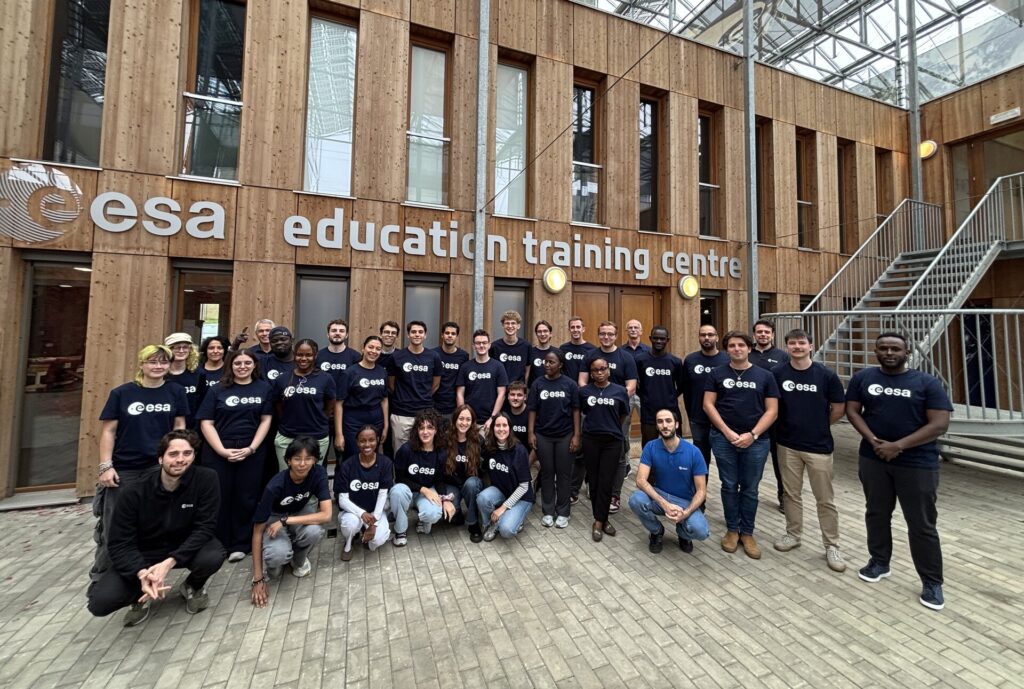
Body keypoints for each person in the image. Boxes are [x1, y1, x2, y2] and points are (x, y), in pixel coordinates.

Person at [846, 332, 952, 611]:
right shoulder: (863, 378)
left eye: (895, 348)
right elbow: (853, 411)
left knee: (921, 523)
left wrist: (899, 446)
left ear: (907, 352)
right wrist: (873, 441)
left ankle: (931, 581)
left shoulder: (927, 382)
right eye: (883, 348)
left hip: (917, 463)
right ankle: (879, 562)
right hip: (873, 458)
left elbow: (939, 423)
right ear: (876, 351)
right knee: (877, 513)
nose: (889, 352)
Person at [87, 430, 225, 626]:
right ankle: (140, 594)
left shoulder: (206, 479)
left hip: (183, 545)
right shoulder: (133, 491)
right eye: (173, 454)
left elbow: (205, 527)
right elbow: (119, 543)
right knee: (100, 603)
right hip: (145, 552)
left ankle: (193, 586)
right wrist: (141, 572)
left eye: (187, 454)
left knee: (213, 555)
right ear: (160, 458)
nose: (180, 460)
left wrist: (170, 562)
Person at [93, 345, 189, 582]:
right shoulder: (122, 393)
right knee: (115, 525)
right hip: (126, 469)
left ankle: (152, 573)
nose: (158, 366)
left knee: (157, 522)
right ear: (142, 364)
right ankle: (104, 577)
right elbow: (109, 431)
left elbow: (179, 427)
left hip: (161, 468)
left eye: (163, 362)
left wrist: (179, 459)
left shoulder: (175, 391)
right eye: (152, 362)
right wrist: (106, 466)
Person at [771, 329, 848, 573]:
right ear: (786, 347)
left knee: (825, 499)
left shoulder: (826, 375)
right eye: (792, 343)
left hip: (819, 447)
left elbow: (838, 408)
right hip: (787, 445)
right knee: (791, 495)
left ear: (811, 346)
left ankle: (832, 544)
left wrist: (820, 425)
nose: (797, 347)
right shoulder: (778, 373)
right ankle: (793, 534)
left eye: (801, 343)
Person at [703, 331, 779, 559]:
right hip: (723, 439)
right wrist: (727, 432)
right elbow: (708, 405)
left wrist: (752, 434)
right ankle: (732, 530)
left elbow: (772, 410)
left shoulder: (765, 376)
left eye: (741, 345)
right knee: (728, 484)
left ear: (749, 348)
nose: (737, 349)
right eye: (732, 346)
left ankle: (747, 532)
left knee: (750, 488)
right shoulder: (716, 374)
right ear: (727, 350)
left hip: (756, 442)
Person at [196, 349, 273, 563]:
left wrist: (252, 448)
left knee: (246, 497)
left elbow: (266, 420)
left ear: (254, 365)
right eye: (238, 363)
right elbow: (206, 422)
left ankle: (241, 543)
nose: (242, 367)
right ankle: (219, 543)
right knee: (220, 496)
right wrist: (221, 450)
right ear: (231, 365)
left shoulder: (264, 388)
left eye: (247, 363)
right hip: (219, 451)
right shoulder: (217, 389)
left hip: (251, 450)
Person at [250, 437, 332, 607]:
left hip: (296, 512)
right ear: (288, 460)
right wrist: (257, 579)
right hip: (272, 517)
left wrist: (286, 520)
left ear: (315, 460)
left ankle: (298, 560)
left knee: (315, 531)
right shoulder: (275, 486)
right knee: (277, 557)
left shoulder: (318, 473)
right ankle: (271, 565)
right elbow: (257, 532)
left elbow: (326, 515)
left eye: (308, 459)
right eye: (297, 459)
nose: (302, 464)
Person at [628, 410, 710, 554]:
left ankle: (683, 534)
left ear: (676, 424)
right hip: (660, 496)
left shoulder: (693, 452)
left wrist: (686, 512)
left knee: (701, 531)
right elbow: (640, 480)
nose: (664, 425)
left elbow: (701, 491)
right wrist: (664, 503)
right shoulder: (651, 447)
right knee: (636, 500)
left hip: (684, 501)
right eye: (660, 422)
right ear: (657, 426)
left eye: (668, 421)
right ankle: (657, 531)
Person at [580, 321, 638, 515]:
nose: (606, 337)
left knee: (619, 453)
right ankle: (594, 486)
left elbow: (631, 386)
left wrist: (613, 397)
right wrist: (594, 398)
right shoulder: (590, 356)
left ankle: (614, 494)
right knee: (592, 452)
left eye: (610, 334)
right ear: (598, 335)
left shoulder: (626, 357)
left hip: (618, 410)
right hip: (593, 409)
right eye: (603, 333)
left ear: (616, 335)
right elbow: (582, 382)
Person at [578, 357, 630, 542]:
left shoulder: (620, 391)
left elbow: (623, 414)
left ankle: (599, 521)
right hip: (591, 440)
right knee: (594, 480)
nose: (599, 372)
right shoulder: (584, 392)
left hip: (612, 442)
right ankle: (601, 519)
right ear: (591, 373)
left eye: (603, 369)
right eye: (595, 370)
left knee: (607, 481)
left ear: (608, 370)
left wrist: (611, 426)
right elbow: (580, 412)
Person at [527, 349, 580, 529]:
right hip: (543, 435)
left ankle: (563, 512)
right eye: (546, 362)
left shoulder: (570, 385)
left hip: (565, 435)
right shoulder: (537, 384)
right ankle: (548, 512)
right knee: (548, 474)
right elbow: (532, 409)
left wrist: (576, 435)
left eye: (551, 362)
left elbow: (575, 411)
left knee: (564, 475)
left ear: (560, 365)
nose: (547, 365)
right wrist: (531, 433)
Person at [273, 338, 336, 467]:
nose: (303, 358)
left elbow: (331, 401)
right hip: (287, 435)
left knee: (313, 477)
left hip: (317, 435)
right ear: (294, 354)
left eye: (308, 355)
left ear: (315, 355)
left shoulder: (325, 378)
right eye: (300, 354)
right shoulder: (282, 379)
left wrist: (322, 417)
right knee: (287, 476)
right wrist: (286, 418)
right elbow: (278, 404)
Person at [389, 409, 447, 546]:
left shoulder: (441, 452)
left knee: (433, 515)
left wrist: (445, 499)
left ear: (436, 430)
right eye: (421, 428)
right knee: (397, 491)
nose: (425, 432)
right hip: (408, 492)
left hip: (425, 493)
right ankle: (400, 530)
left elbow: (439, 480)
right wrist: (423, 489)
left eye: (430, 427)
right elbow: (400, 479)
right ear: (417, 430)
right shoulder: (406, 450)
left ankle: (422, 518)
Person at [335, 426, 393, 561]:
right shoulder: (347, 465)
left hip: (374, 511)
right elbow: (342, 499)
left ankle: (365, 532)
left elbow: (383, 495)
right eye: (362, 441)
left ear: (378, 440)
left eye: (371, 440)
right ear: (357, 442)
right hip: (352, 512)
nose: (367, 444)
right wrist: (361, 513)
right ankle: (348, 544)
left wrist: (374, 523)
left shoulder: (385, 463)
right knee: (350, 524)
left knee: (378, 540)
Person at [750, 319, 789, 511]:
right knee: (751, 461)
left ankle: (784, 496)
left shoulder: (782, 356)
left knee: (779, 461)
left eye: (766, 332)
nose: (763, 335)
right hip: (752, 416)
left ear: (772, 334)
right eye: (759, 332)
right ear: (754, 334)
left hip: (776, 418)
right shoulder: (748, 354)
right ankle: (748, 495)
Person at [478, 413, 535, 541]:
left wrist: (503, 508)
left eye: (505, 425)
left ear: (510, 428)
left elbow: (524, 486)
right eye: (497, 425)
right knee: (482, 498)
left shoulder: (519, 451)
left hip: (522, 497)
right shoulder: (490, 448)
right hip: (502, 491)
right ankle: (491, 524)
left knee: (506, 530)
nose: (501, 429)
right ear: (493, 429)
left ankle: (511, 520)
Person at [387, 320, 442, 450]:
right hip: (401, 414)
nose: (417, 334)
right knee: (400, 453)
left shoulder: (434, 357)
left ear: (425, 335)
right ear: (408, 335)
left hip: (425, 413)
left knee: (425, 451)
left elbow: (436, 384)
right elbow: (391, 384)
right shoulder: (397, 357)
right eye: (413, 332)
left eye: (420, 332)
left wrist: (423, 396)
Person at [681, 325, 730, 468]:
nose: (706, 338)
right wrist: (691, 414)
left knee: (726, 461)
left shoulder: (727, 359)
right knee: (701, 461)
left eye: (710, 335)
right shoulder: (690, 360)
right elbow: (686, 389)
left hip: (724, 420)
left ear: (717, 337)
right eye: (703, 335)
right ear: (699, 338)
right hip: (698, 419)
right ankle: (701, 490)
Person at [335, 335, 389, 459]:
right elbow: (338, 404)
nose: (374, 351)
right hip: (353, 421)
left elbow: (384, 400)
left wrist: (385, 426)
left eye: (378, 349)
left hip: (376, 420)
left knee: (373, 457)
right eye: (370, 347)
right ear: (363, 348)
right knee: (354, 457)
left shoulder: (382, 372)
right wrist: (339, 434)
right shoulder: (350, 373)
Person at [561, 316, 596, 504]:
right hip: (568, 405)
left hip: (587, 405)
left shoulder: (591, 350)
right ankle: (573, 488)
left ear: (584, 329)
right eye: (572, 327)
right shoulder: (563, 349)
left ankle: (590, 482)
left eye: (578, 327)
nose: (575, 330)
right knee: (574, 447)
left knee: (588, 445)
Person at [441, 405, 486, 541]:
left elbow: (484, 468)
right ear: (454, 420)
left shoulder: (478, 440)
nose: (464, 423)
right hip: (452, 484)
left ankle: (473, 523)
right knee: (449, 517)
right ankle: (458, 512)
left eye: (468, 419)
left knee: (472, 484)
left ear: (472, 422)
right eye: (461, 418)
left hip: (471, 483)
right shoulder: (445, 440)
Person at [635, 326, 685, 446]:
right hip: (648, 412)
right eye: (655, 338)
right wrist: (645, 397)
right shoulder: (640, 360)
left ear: (667, 340)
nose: (658, 341)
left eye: (662, 339)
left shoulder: (675, 362)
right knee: (649, 446)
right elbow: (635, 384)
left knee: (674, 445)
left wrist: (671, 396)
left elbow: (682, 385)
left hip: (671, 410)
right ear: (650, 338)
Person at [456, 329, 508, 434]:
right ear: (473, 346)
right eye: (478, 343)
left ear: (489, 345)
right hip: (469, 423)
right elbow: (459, 393)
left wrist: (492, 418)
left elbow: (501, 394)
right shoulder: (466, 367)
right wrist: (465, 418)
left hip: (489, 422)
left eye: (484, 343)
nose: (481, 345)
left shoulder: (498, 366)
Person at [433, 321, 469, 420]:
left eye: (453, 334)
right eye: (447, 333)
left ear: (457, 336)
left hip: (453, 407)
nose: (450, 336)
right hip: (434, 405)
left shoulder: (463, 356)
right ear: (442, 335)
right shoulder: (433, 354)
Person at [165, 333, 202, 428]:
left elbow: (202, 402)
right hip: (166, 425)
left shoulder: (199, 373)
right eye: (176, 347)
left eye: (185, 347)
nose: (181, 351)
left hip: (193, 427)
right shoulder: (161, 374)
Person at [490, 310, 531, 383]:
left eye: (513, 323)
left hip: (518, 390)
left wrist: (524, 386)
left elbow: (528, 369)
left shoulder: (526, 346)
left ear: (518, 326)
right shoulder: (494, 347)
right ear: (503, 325)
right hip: (500, 389)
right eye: (507, 323)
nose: (510, 326)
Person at [504, 381, 531, 448]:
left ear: (525, 397)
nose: (515, 398)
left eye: (519, 395)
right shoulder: (504, 414)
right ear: (508, 396)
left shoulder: (531, 415)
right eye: (512, 394)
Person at [527, 320, 554, 385]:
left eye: (545, 331)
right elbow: (526, 374)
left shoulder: (557, 353)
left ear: (550, 334)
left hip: (552, 390)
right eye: (539, 331)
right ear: (536, 334)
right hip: (534, 391)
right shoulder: (530, 352)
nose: (542, 334)